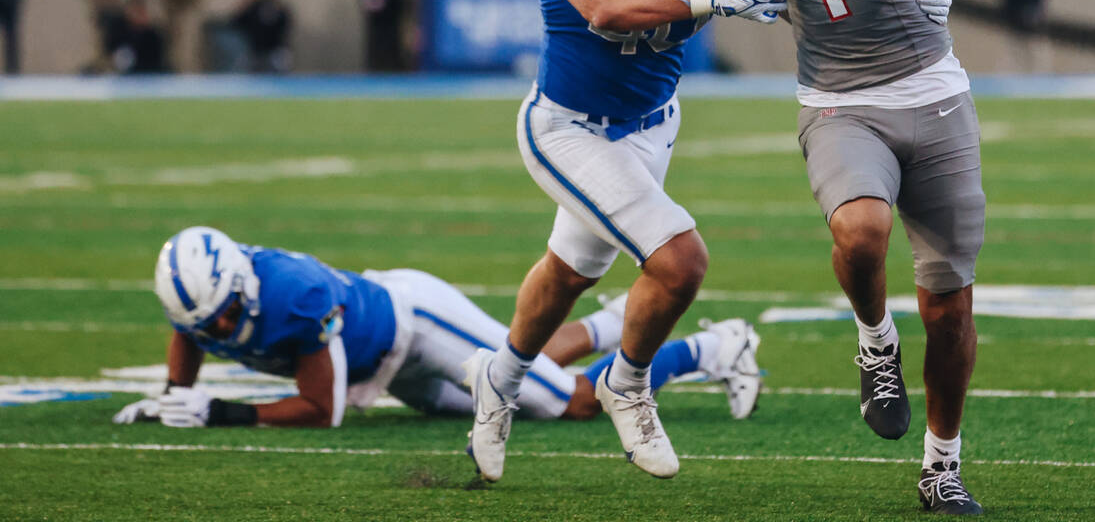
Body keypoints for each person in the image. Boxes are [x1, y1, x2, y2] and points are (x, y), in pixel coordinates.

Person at [609, 0, 990, 513]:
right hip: (838, 100)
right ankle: (875, 339)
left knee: (948, 309)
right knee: (861, 231)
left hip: (935, 94)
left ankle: (941, 466)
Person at [464, 0, 795, 484]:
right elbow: (602, 8)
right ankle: (629, 382)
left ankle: (497, 380)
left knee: (567, 275)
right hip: (568, 126)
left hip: (655, 122)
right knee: (680, 262)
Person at [111, 226, 761, 431]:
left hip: (416, 325)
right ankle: (609, 322)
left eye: (226, 312)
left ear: (242, 285)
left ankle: (711, 346)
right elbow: (191, 332)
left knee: (575, 403)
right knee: (515, 380)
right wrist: (173, 396)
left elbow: (323, 407)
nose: (222, 327)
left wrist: (216, 412)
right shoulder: (210, 303)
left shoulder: (292, 297)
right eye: (208, 320)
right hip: (390, 369)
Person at [230, 0, 293, 74]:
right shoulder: (252, 6)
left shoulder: (278, 6)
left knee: (280, 64)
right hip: (255, 52)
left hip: (274, 51)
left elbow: (286, 25)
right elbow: (235, 21)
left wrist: (277, 2)